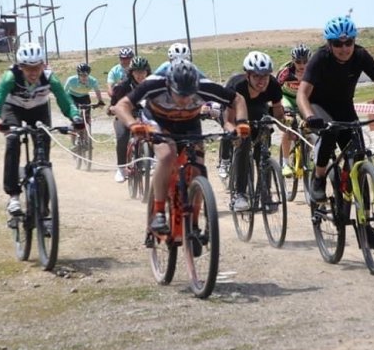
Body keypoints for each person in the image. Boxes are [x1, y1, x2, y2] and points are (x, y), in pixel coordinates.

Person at [114, 59, 248, 242]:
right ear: (169, 85)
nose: (185, 100)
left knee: (198, 167)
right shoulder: (154, 84)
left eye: (190, 95)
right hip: (158, 121)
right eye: (180, 94)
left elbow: (237, 99)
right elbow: (121, 106)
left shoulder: (204, 86)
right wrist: (133, 125)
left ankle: (193, 223)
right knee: (167, 156)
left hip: (189, 123)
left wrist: (240, 124)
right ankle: (159, 212)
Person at [297, 16, 374, 202]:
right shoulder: (320, 58)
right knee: (329, 133)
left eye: (349, 42)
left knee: (358, 155)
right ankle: (319, 178)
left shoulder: (360, 55)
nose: (344, 48)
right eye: (338, 44)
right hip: (317, 107)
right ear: (329, 44)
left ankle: (365, 223)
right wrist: (309, 116)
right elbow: (302, 95)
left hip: (344, 106)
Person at [0, 42, 84, 215]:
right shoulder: (11, 77)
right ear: (20, 67)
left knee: (43, 154)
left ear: (43, 65)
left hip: (39, 110)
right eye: (28, 68)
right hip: (12, 108)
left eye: (37, 67)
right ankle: (14, 196)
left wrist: (75, 117)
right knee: (13, 140)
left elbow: (65, 101)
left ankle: (44, 209)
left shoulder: (49, 78)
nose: (33, 72)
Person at [219, 51, 284, 211]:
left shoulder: (274, 85)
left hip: (258, 109)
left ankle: (265, 193)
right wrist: (235, 132)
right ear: (247, 76)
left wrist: (286, 126)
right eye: (256, 76)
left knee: (263, 147)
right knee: (244, 142)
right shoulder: (236, 86)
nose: (262, 81)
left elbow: (278, 114)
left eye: (265, 76)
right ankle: (240, 194)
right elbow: (227, 121)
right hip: (235, 113)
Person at [108, 56, 152, 182]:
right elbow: (114, 103)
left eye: (142, 71)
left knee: (156, 132)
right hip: (125, 116)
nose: (140, 75)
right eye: (136, 72)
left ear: (147, 72)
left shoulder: (153, 84)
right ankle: (121, 168)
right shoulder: (123, 85)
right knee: (122, 136)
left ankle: (151, 160)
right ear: (131, 72)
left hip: (144, 115)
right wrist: (112, 108)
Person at [276, 43, 312, 177]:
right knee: (289, 124)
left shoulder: (313, 70)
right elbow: (274, 89)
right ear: (293, 61)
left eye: (305, 62)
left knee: (311, 125)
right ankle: (285, 163)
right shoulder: (285, 72)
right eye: (298, 62)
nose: (302, 65)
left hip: (304, 99)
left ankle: (309, 156)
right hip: (288, 98)